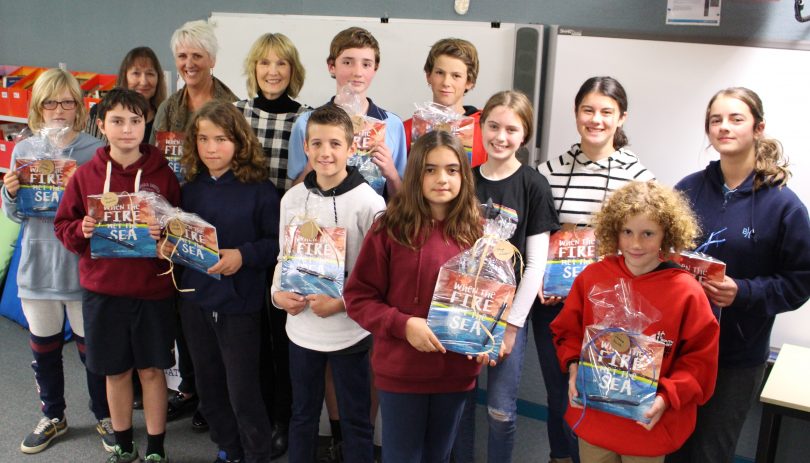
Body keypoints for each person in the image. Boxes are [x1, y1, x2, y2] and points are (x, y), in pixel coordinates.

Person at [666, 88, 810, 463]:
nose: (724, 127)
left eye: (736, 119)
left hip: (736, 356)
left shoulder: (784, 205)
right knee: (669, 448)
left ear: (758, 128)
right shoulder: (688, 189)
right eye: (716, 120)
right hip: (679, 348)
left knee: (710, 454)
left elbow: (800, 281)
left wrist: (742, 292)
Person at [551, 181, 720, 462]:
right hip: (596, 418)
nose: (636, 244)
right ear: (614, 230)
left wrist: (666, 397)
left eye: (648, 233)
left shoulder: (686, 291)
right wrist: (573, 366)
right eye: (627, 232)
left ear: (667, 234)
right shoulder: (592, 277)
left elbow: (699, 362)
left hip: (648, 424)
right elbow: (567, 331)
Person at [54, 88, 181, 463]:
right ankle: (123, 443)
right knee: (115, 371)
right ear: (102, 125)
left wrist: (165, 238)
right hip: (103, 291)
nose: (127, 129)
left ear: (147, 125)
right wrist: (84, 230)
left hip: (151, 292)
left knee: (153, 370)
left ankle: (156, 448)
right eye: (117, 121)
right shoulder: (85, 176)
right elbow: (64, 226)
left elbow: (181, 231)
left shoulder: (164, 175)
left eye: (136, 121)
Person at [534, 76, 655, 463]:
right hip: (556, 304)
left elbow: (645, 245)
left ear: (622, 118)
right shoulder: (548, 171)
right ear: (575, 113)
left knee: (602, 395)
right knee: (559, 393)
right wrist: (539, 278)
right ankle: (561, 457)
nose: (596, 119)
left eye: (606, 112)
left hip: (611, 310)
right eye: (588, 110)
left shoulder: (638, 178)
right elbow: (537, 237)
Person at [344, 130, 482, 463]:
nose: (442, 179)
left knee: (438, 456)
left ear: (464, 176)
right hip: (401, 372)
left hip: (456, 374)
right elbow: (358, 298)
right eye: (430, 169)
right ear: (416, 173)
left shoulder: (477, 233)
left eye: (452, 170)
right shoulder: (390, 227)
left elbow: (487, 301)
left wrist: (490, 335)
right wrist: (404, 325)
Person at [1, 68, 114, 455]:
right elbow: (15, 215)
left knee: (92, 348)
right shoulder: (24, 149)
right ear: (38, 107)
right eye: (51, 102)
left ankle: (104, 413)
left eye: (68, 101)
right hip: (37, 262)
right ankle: (53, 414)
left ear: (80, 107)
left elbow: (105, 214)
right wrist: (10, 192)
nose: (60, 110)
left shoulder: (94, 150)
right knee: (43, 346)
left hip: (81, 265)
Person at [161, 100, 279, 463]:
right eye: (203, 139)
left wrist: (243, 256)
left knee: (243, 389)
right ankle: (229, 448)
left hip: (240, 305)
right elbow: (179, 238)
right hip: (195, 301)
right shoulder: (189, 189)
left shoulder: (261, 190)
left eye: (222, 139)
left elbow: (277, 244)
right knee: (209, 388)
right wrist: (167, 245)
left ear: (240, 142)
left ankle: (256, 452)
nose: (211, 148)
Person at [272, 104, 384, 463]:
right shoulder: (292, 199)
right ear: (306, 146)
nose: (326, 152)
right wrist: (277, 295)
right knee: (302, 415)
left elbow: (380, 276)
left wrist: (342, 304)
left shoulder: (369, 202)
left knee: (355, 419)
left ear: (351, 149)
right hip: (301, 330)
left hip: (349, 332)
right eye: (317, 143)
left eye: (335, 144)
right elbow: (282, 257)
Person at [454, 90, 559, 463]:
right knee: (459, 405)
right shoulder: (464, 180)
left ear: (524, 135)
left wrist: (512, 324)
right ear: (480, 128)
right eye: (494, 126)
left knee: (500, 410)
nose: (501, 136)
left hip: (507, 317)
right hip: (463, 310)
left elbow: (536, 263)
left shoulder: (533, 185)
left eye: (511, 129)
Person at [151, 19, 238, 430]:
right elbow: (155, 162)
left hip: (219, 212)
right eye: (182, 56)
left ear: (212, 60)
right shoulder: (168, 108)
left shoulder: (231, 104)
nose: (189, 63)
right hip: (177, 213)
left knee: (215, 309)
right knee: (184, 304)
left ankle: (215, 396)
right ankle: (192, 388)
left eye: (197, 56)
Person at [234, 34, 309, 457]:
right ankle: (256, 415)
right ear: (254, 68)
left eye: (281, 63)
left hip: (290, 236)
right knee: (251, 335)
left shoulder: (306, 117)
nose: (273, 71)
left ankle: (283, 416)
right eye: (264, 62)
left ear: (292, 69)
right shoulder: (238, 113)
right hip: (246, 236)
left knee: (283, 336)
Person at [286, 26, 407, 197]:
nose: (357, 72)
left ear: (375, 68)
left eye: (366, 64)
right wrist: (313, 162)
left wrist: (391, 174)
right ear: (331, 66)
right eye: (347, 62)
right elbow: (293, 193)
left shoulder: (392, 124)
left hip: (375, 221)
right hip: (323, 221)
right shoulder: (306, 123)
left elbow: (402, 201)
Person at [403, 37, 487, 167]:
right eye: (440, 73)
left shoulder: (485, 130)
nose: (446, 82)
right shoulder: (407, 129)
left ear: (469, 82)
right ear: (428, 76)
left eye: (456, 76)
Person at [85, 46, 167, 143]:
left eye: (150, 74)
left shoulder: (165, 118)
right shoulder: (99, 112)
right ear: (125, 77)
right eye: (136, 73)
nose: (144, 82)